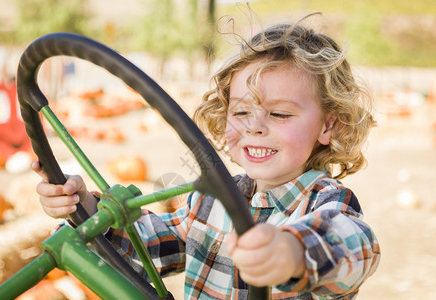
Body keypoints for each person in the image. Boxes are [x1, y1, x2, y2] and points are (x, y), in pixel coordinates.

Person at [33, 14, 380, 299]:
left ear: (328, 126)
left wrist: (290, 253)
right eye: (241, 112)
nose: (255, 127)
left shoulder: (326, 202)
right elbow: (147, 246)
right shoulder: (213, 198)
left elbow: (357, 247)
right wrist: (84, 208)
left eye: (280, 114)